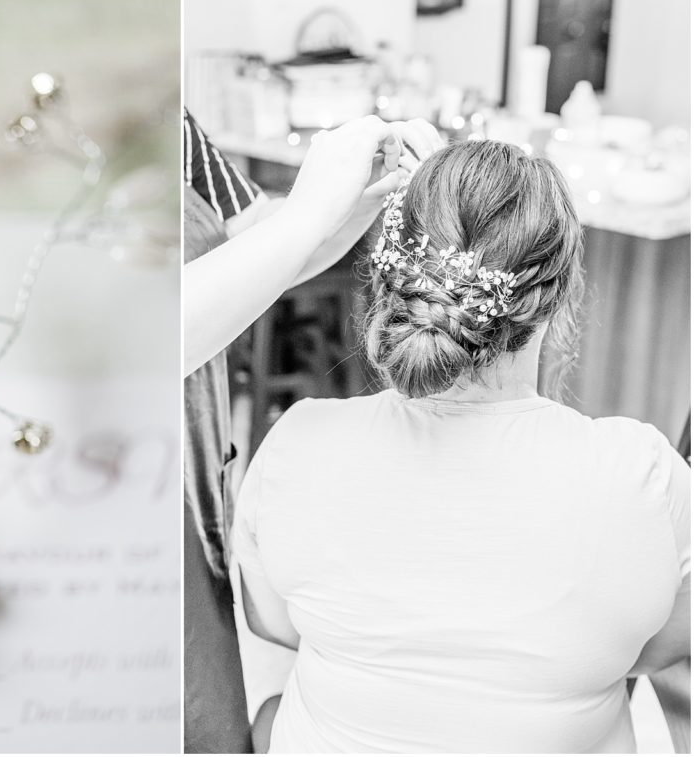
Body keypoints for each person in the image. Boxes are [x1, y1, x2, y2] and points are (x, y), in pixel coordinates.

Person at [233, 140, 691, 752]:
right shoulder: (643, 474)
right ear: (555, 305)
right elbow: (663, 645)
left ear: (393, 287)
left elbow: (274, 624)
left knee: (271, 711)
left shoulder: (299, 441)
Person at [182, 110, 442, 753]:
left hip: (194, 464)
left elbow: (256, 242)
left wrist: (356, 198)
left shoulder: (171, 118)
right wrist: (307, 214)